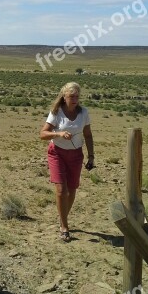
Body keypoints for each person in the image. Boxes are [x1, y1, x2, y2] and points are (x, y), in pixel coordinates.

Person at [40, 82, 94, 242]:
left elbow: (88, 135)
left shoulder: (84, 112)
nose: (75, 99)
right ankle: (64, 226)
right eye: (71, 96)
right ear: (64, 97)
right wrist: (59, 133)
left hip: (76, 154)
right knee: (62, 191)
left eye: (77, 96)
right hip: (57, 154)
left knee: (72, 189)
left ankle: (63, 216)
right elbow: (42, 134)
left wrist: (91, 156)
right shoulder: (56, 112)